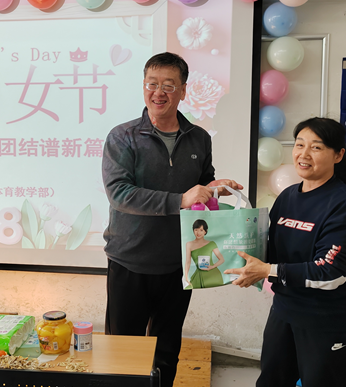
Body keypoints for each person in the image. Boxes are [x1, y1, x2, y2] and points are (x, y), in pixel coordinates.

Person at [102, 52, 242, 387]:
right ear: (143, 86)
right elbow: (119, 194)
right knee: (123, 352)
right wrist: (180, 200)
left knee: (167, 350)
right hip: (129, 260)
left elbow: (201, 186)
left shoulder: (199, 138)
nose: (158, 92)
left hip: (179, 263)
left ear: (183, 90)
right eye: (152, 84)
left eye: (168, 85)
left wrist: (214, 188)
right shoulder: (123, 137)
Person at [225, 117, 346, 387]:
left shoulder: (345, 205)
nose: (304, 154)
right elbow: (272, 252)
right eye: (299, 144)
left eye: (316, 147)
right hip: (285, 311)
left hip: (329, 320)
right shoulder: (288, 197)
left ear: (338, 155)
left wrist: (266, 270)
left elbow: (331, 273)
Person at [183, 219, 225, 289]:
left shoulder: (211, 243)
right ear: (193, 230)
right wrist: (186, 277)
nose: (198, 232)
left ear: (205, 231)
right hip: (199, 275)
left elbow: (222, 259)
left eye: (201, 230)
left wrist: (212, 266)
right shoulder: (189, 244)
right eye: (196, 230)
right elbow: (188, 262)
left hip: (214, 274)